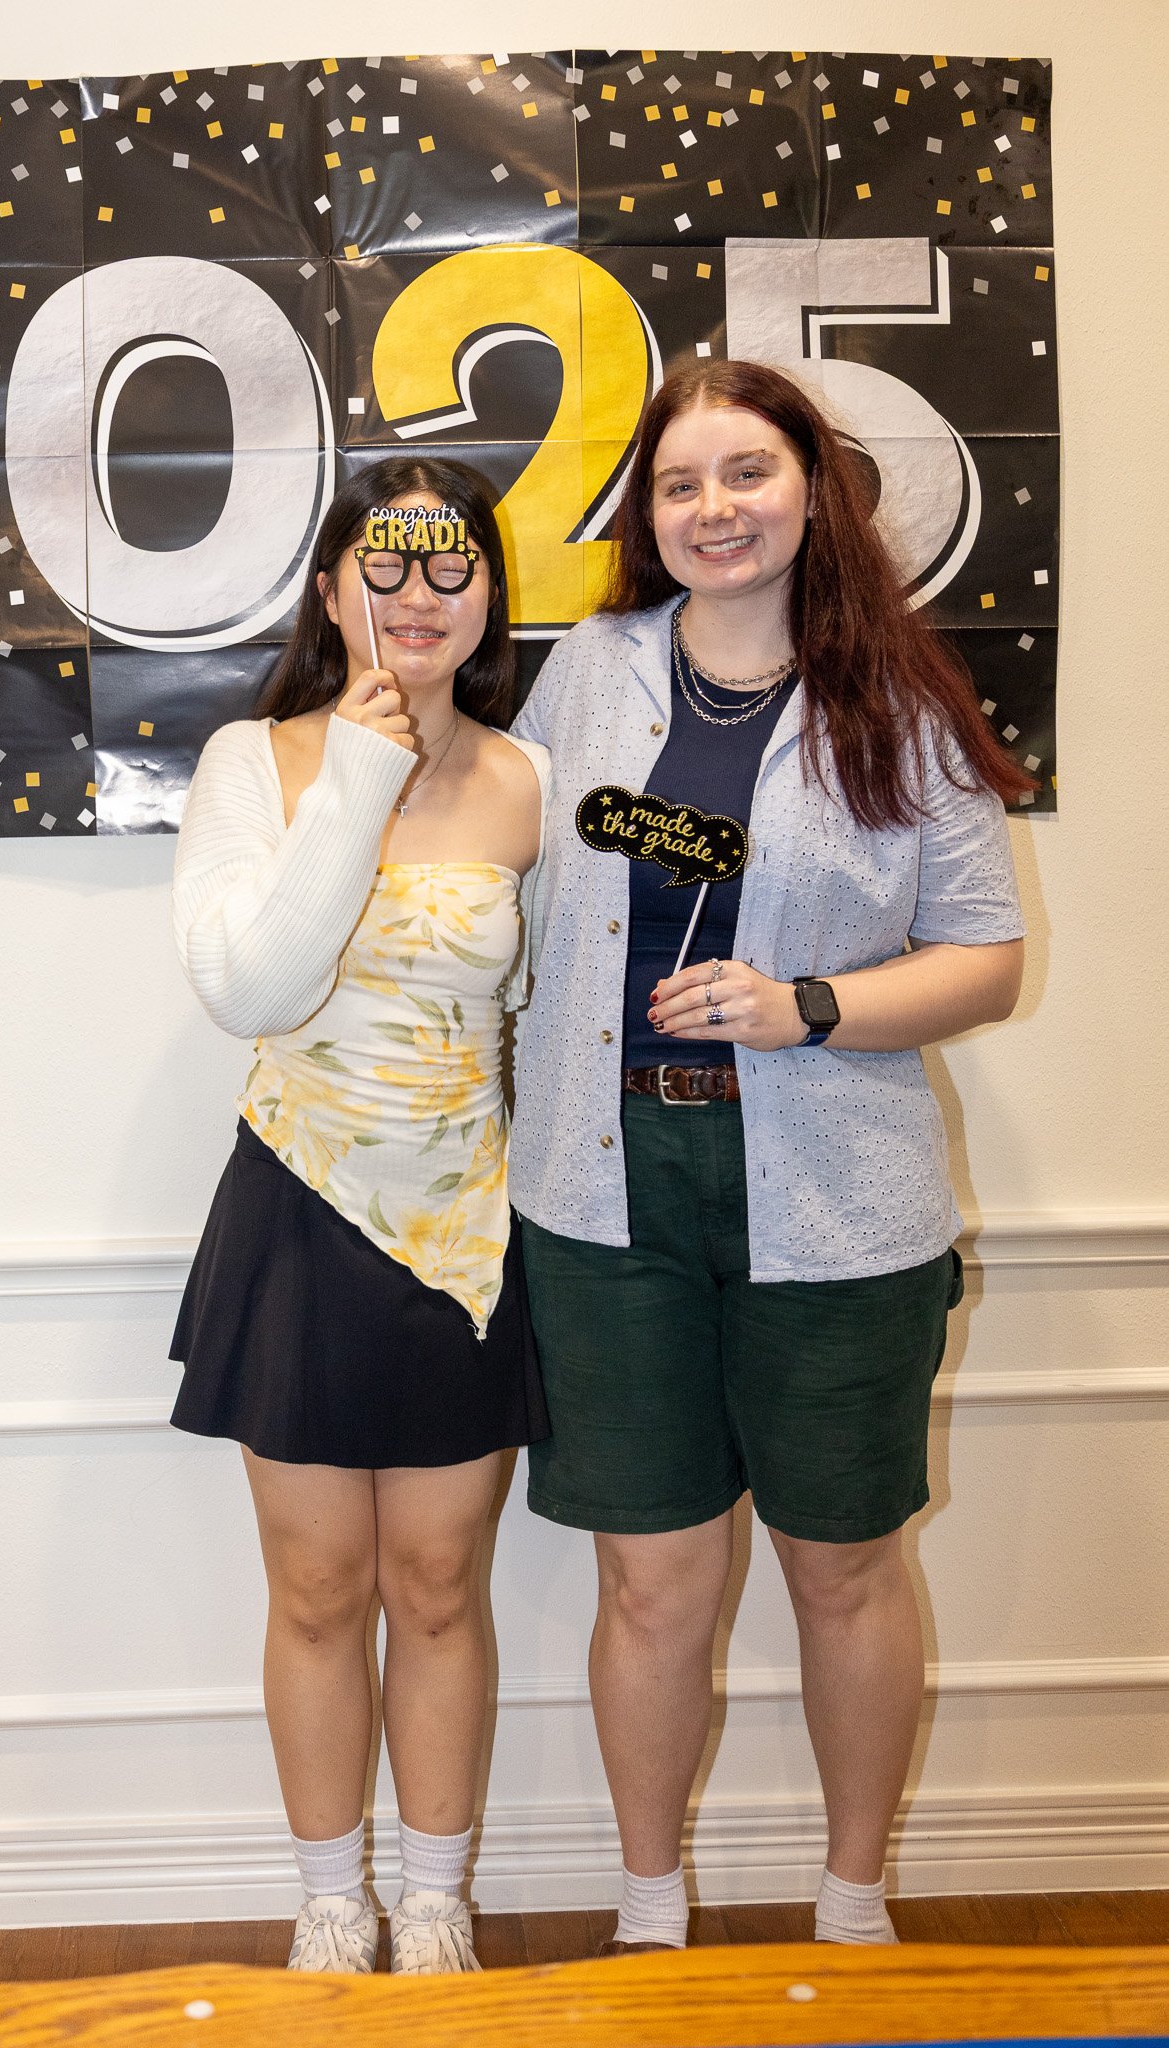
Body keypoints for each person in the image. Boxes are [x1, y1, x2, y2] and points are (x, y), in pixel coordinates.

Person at [509, 359, 1029, 1954]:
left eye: (746, 475)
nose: (712, 510)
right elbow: (501, 847)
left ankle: (853, 1902)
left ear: (815, 490)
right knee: (651, 1586)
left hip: (835, 1206)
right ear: (645, 516)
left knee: (843, 1574)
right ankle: (650, 1909)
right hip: (603, 1194)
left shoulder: (905, 699)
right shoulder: (590, 673)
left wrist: (808, 1003)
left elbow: (986, 959)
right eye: (678, 485)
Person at [169, 455, 548, 1975]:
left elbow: (521, 1000)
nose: (414, 595)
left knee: (439, 1582)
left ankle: (439, 1897)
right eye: (381, 567)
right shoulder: (250, 764)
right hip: (298, 1216)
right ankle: (334, 1899)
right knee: (319, 1585)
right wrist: (365, 775)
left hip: (462, 1230)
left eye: (448, 566)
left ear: (487, 597)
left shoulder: (531, 781)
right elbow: (253, 989)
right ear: (331, 590)